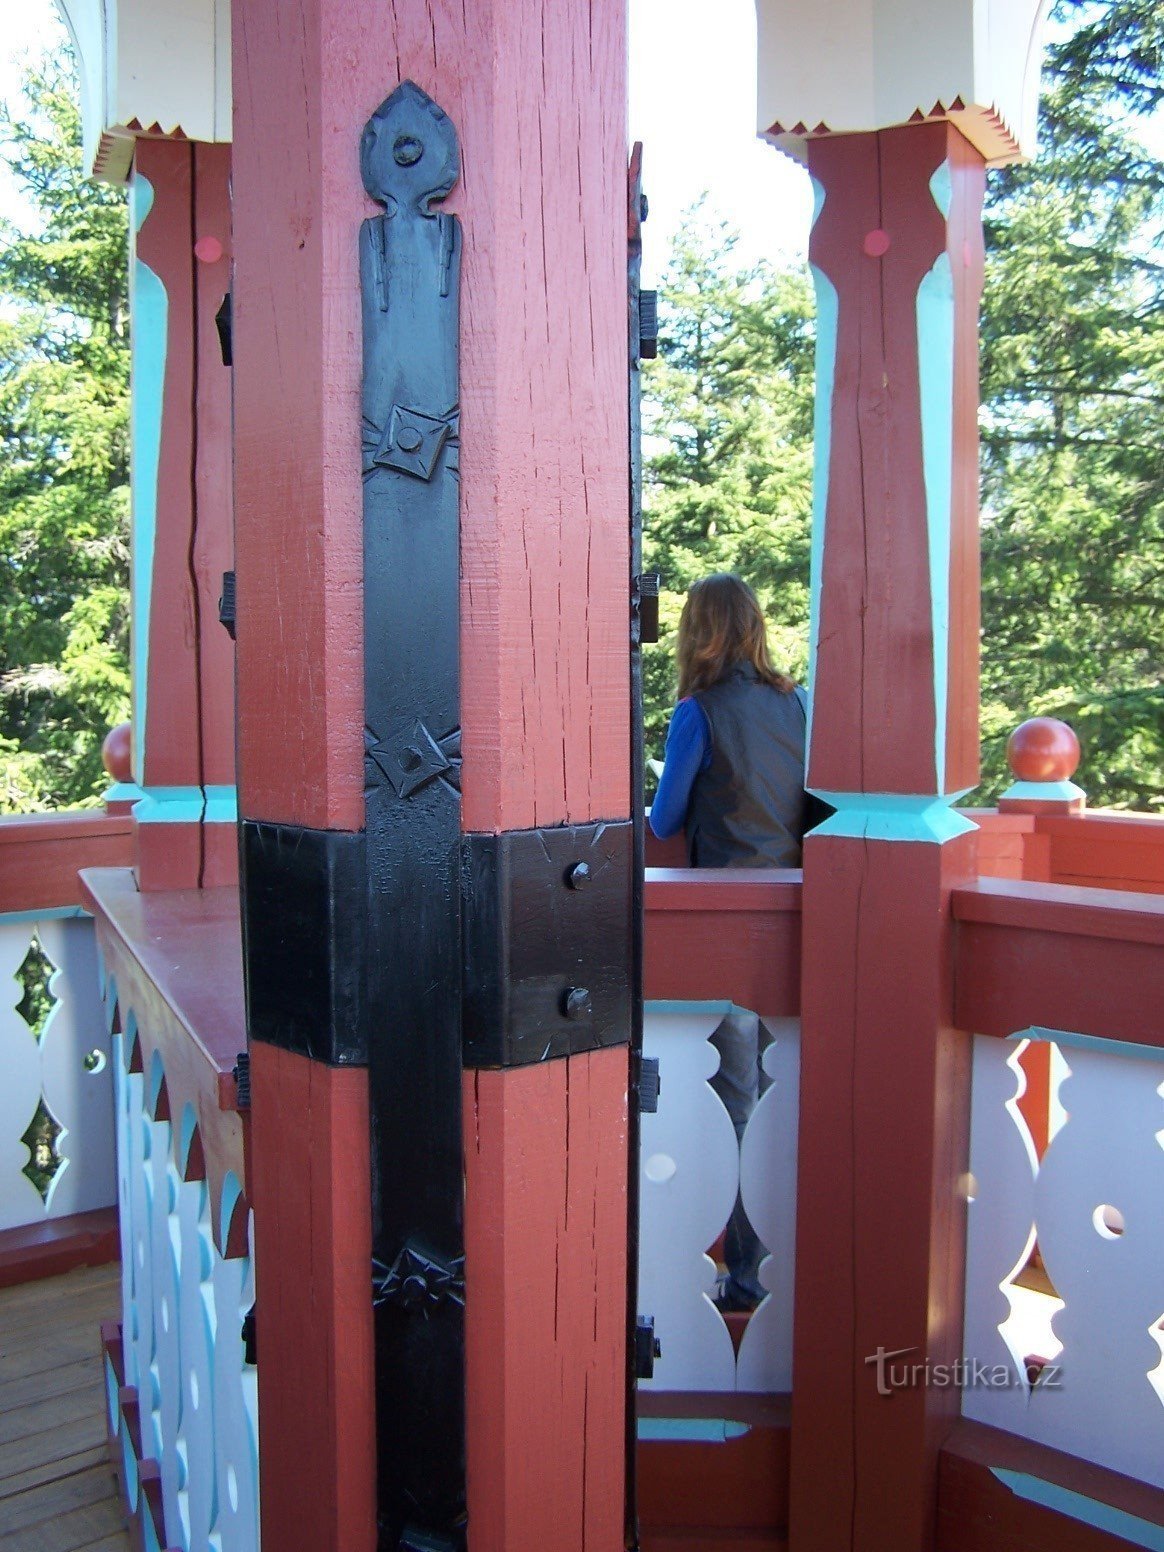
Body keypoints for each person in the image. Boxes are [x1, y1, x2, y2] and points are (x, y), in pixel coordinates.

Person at [649, 573, 809, 1311]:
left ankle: (743, 1280)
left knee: (738, 1107)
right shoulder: (798, 703)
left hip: (728, 930)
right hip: (799, 925)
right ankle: (775, 1272)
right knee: (784, 1105)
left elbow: (662, 821)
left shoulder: (698, 712)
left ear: (700, 631)